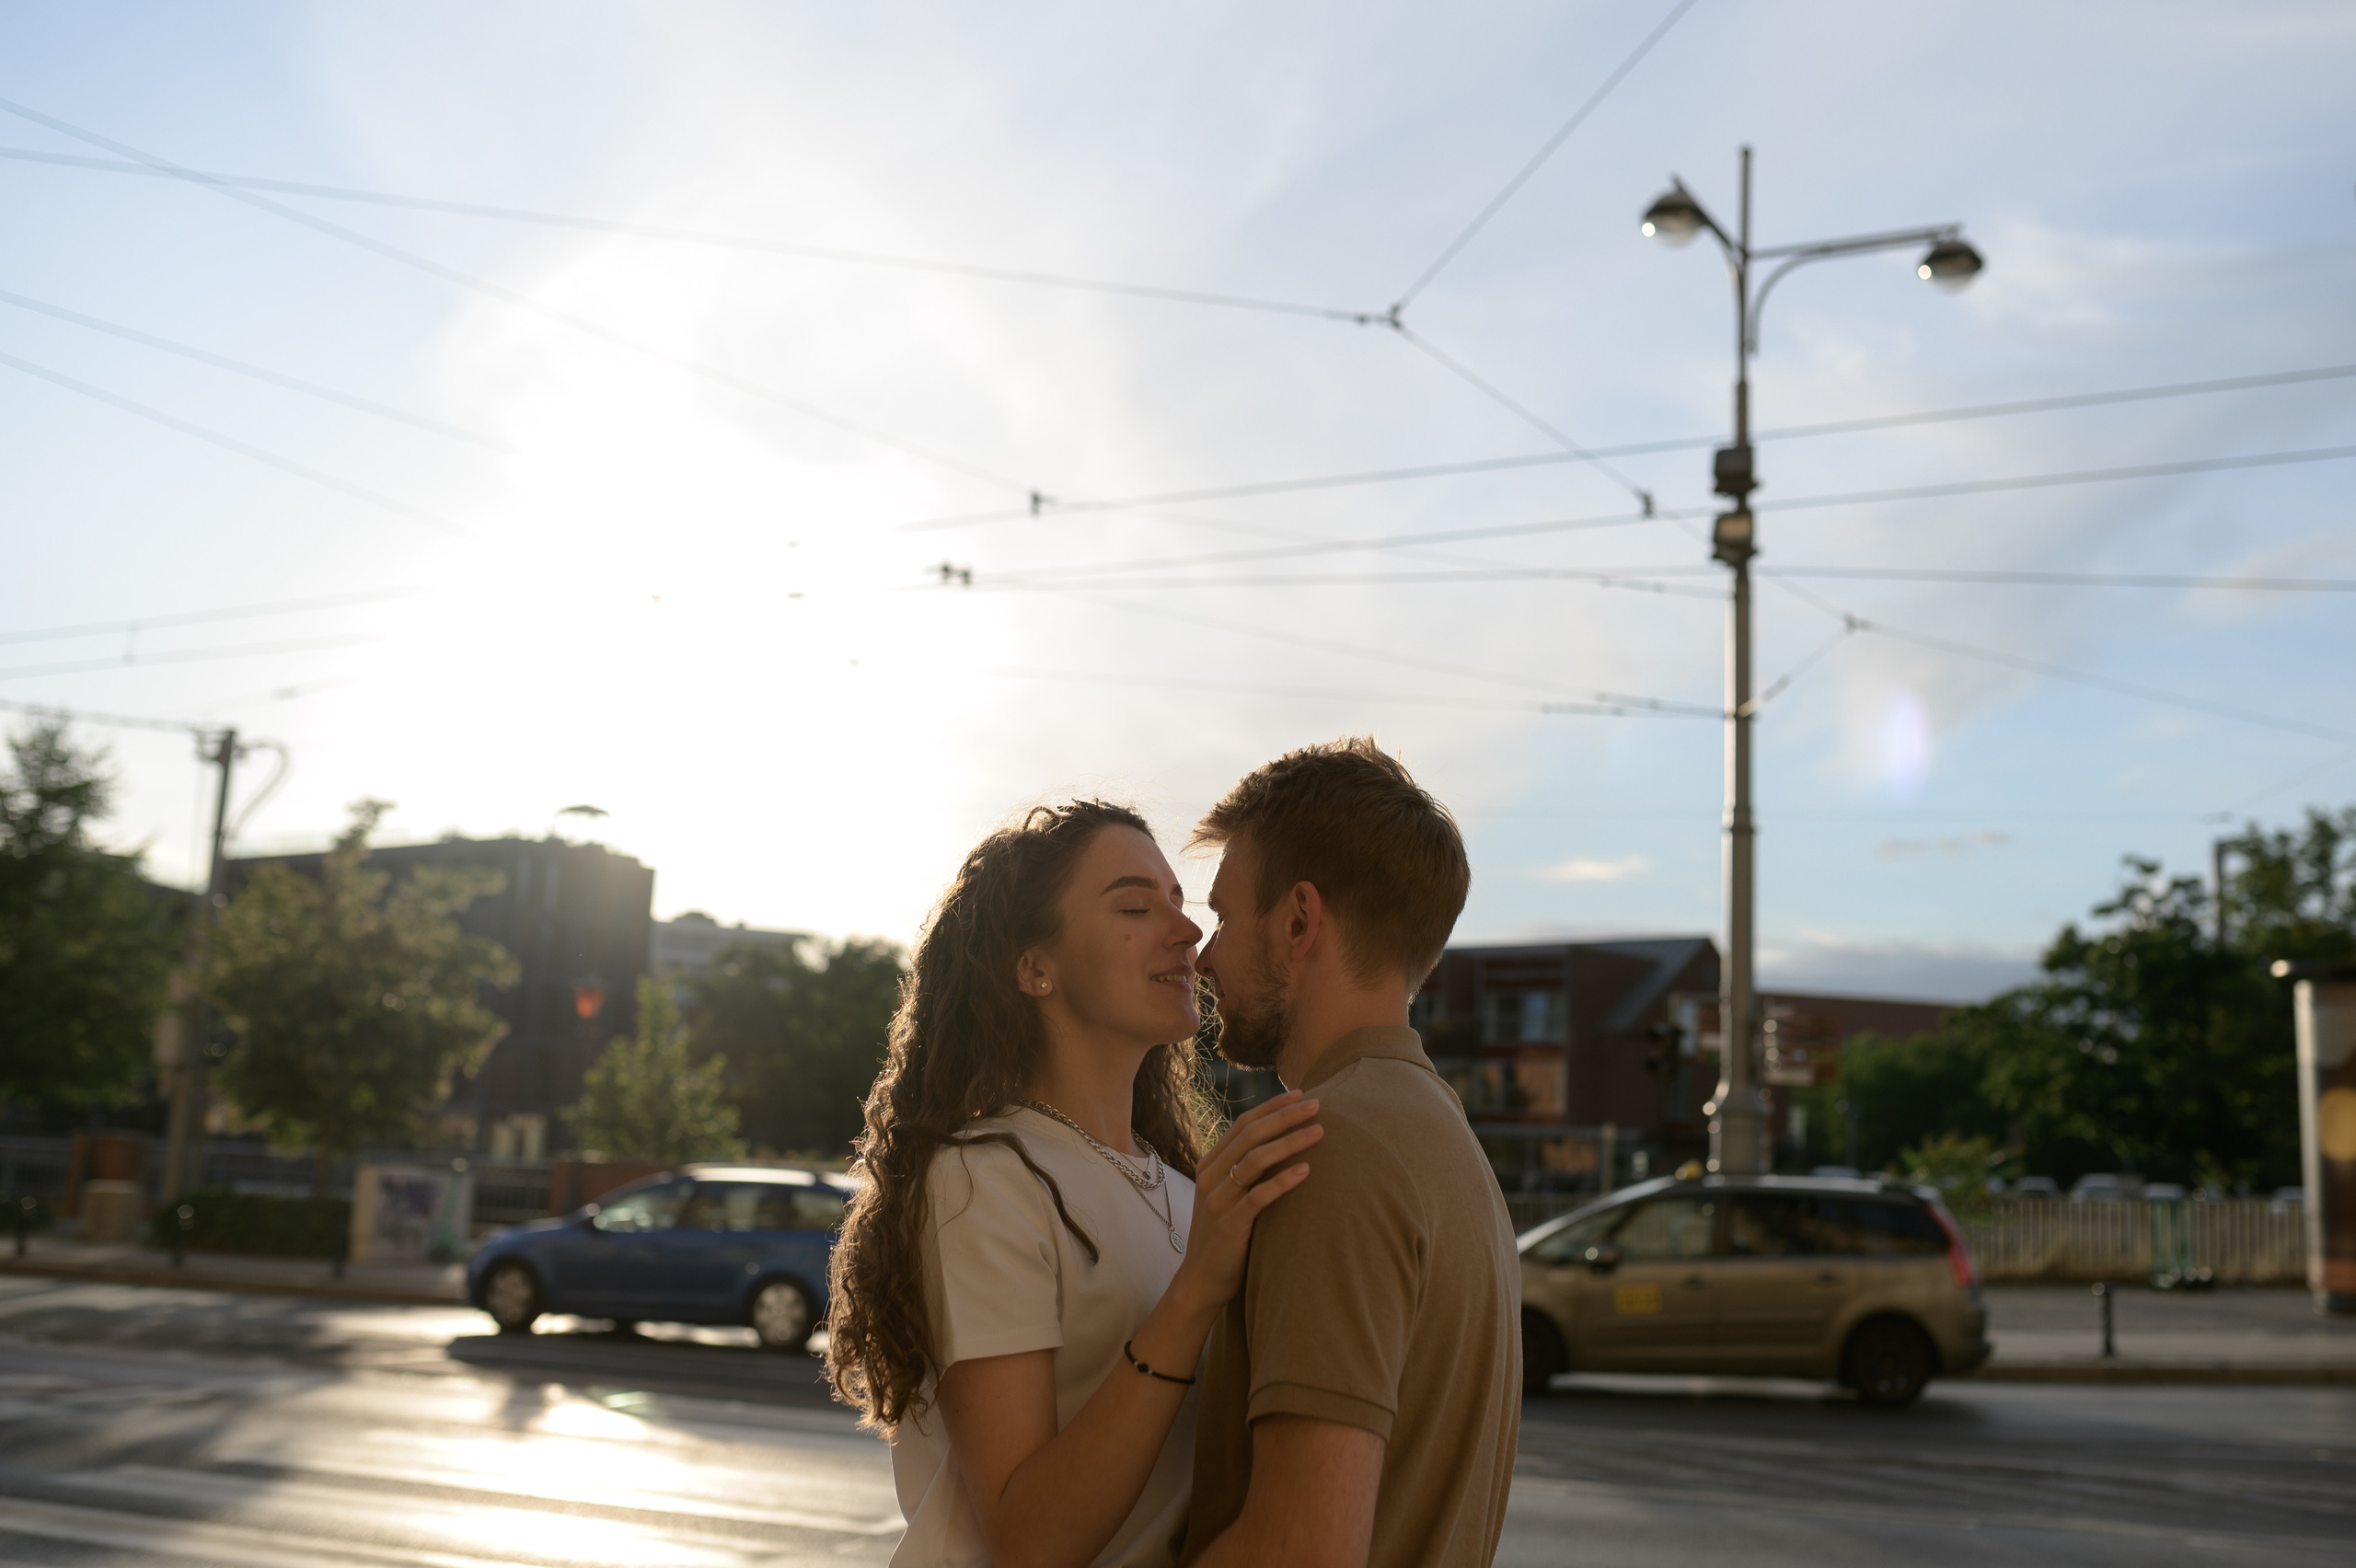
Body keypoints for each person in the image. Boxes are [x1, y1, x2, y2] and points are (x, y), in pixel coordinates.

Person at [826, 800, 1326, 1568]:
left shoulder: (1192, 1192)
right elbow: (1030, 1541)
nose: (1187, 933)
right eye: (1134, 906)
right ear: (1034, 968)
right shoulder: (983, 1179)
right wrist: (1195, 1292)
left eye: (1180, 905)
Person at [1181, 739, 1520, 1568]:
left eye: (1223, 917)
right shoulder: (1444, 1140)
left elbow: (1303, 1547)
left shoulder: (1327, 1150)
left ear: (1299, 920)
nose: (1202, 955)